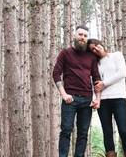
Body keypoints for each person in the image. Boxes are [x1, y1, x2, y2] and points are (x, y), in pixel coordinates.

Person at [52, 26, 101, 157]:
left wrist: (97, 99)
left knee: (83, 133)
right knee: (66, 130)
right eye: (80, 34)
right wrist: (63, 94)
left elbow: (97, 78)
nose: (82, 38)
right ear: (74, 36)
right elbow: (56, 73)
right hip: (70, 100)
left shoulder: (91, 57)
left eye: (85, 36)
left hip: (87, 101)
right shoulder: (65, 53)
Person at [88, 38, 126, 157]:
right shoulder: (96, 65)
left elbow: (122, 73)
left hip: (119, 98)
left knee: (123, 130)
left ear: (101, 44)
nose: (96, 49)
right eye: (92, 49)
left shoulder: (116, 55)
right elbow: (95, 83)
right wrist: (96, 98)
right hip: (103, 101)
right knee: (107, 132)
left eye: (96, 45)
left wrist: (104, 83)